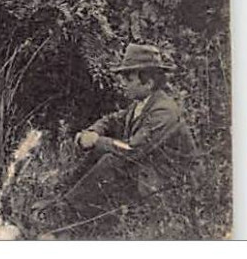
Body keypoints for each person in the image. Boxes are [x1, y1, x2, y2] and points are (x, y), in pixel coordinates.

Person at [55, 43, 198, 225]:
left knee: (111, 160)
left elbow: (132, 149)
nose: (123, 83)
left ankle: (68, 212)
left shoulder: (164, 110)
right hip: (149, 172)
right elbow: (112, 120)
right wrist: (93, 132)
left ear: (148, 82)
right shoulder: (141, 104)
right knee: (103, 151)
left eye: (128, 79)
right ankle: (63, 198)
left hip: (174, 182)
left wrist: (97, 140)